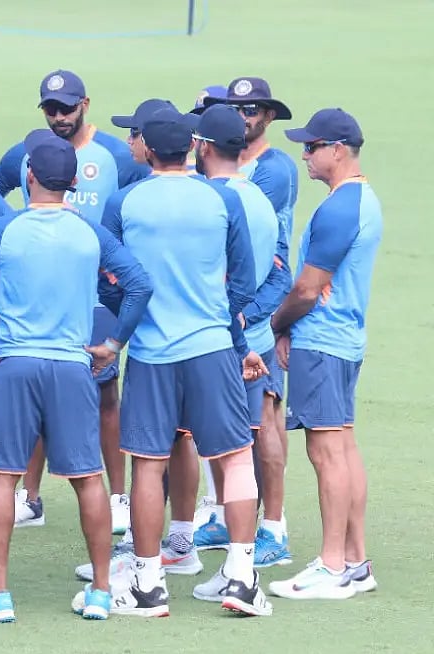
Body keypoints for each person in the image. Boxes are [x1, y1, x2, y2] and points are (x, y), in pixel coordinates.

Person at [0, 130, 152, 622]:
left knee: (2, 477)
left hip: (14, 366)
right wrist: (113, 344)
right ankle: (101, 592)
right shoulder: (90, 232)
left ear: (31, 178)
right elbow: (139, 284)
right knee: (88, 479)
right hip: (71, 367)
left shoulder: (5, 228)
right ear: (75, 180)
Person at [100, 109, 272, 618]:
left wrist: (123, 325)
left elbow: (108, 275)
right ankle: (242, 577)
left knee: (148, 467)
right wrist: (223, 317)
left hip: (153, 355)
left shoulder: (124, 201)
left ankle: (149, 583)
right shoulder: (221, 199)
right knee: (235, 458)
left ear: (148, 150)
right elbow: (243, 277)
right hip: (214, 346)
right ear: (193, 148)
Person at [0, 69, 148, 532]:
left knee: (104, 394)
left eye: (66, 108)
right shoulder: (26, 152)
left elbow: (147, 189)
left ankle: (118, 497)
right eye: (50, 109)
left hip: (99, 296)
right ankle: (29, 496)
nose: (58, 117)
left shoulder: (116, 154)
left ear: (86, 104)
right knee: (35, 390)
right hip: (35, 294)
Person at [268, 108, 381, 600]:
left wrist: (275, 326)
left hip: (323, 341)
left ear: (338, 150)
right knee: (344, 448)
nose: (305, 154)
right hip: (344, 341)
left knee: (324, 451)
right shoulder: (363, 200)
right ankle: (356, 561)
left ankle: (333, 565)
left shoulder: (338, 209)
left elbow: (307, 290)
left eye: (312, 147)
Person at [188, 105, 294, 604]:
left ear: (203, 146)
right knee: (239, 450)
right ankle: (238, 566)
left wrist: (234, 322)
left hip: (213, 341)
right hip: (249, 340)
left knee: (224, 453)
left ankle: (235, 569)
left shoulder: (206, 200)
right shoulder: (259, 198)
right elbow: (277, 273)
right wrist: (254, 324)